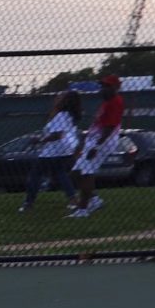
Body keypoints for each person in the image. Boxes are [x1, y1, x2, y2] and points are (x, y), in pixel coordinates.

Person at [67, 75, 125, 218]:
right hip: (93, 140)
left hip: (102, 142)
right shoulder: (105, 103)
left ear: (116, 88)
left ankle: (83, 210)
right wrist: (84, 142)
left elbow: (110, 127)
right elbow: (95, 124)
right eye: (103, 86)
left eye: (107, 86)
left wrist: (97, 147)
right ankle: (93, 200)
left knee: (87, 174)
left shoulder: (116, 102)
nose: (103, 89)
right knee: (76, 174)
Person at [21, 92, 80, 213]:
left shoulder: (61, 115)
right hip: (65, 150)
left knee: (35, 175)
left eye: (59, 97)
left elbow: (57, 135)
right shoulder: (69, 115)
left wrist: (39, 139)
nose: (56, 99)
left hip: (53, 150)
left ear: (64, 101)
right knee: (60, 173)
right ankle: (73, 200)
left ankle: (28, 203)